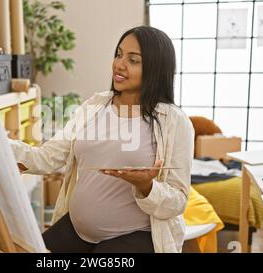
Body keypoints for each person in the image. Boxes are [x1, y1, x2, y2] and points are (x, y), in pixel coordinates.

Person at [10, 26, 194, 253]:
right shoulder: (94, 105)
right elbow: (48, 157)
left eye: (133, 60)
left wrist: (146, 186)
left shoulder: (174, 121)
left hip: (137, 236)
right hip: (77, 231)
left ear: (155, 68)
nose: (119, 64)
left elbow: (178, 200)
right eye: (118, 54)